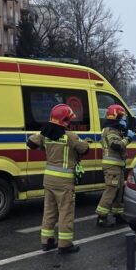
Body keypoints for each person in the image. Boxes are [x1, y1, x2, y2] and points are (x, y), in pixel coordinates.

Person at [27, 103, 89, 254]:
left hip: (49, 180)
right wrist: (86, 141)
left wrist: (44, 135)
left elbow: (30, 142)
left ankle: (47, 241)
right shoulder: (70, 136)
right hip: (64, 182)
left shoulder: (45, 135)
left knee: (49, 211)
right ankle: (65, 244)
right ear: (65, 120)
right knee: (65, 212)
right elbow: (84, 149)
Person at [96, 104, 132, 227]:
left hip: (117, 166)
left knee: (119, 191)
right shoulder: (111, 130)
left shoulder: (115, 130)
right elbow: (116, 145)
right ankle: (101, 217)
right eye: (121, 117)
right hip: (112, 167)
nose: (123, 120)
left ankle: (118, 215)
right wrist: (128, 139)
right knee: (111, 191)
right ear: (116, 117)